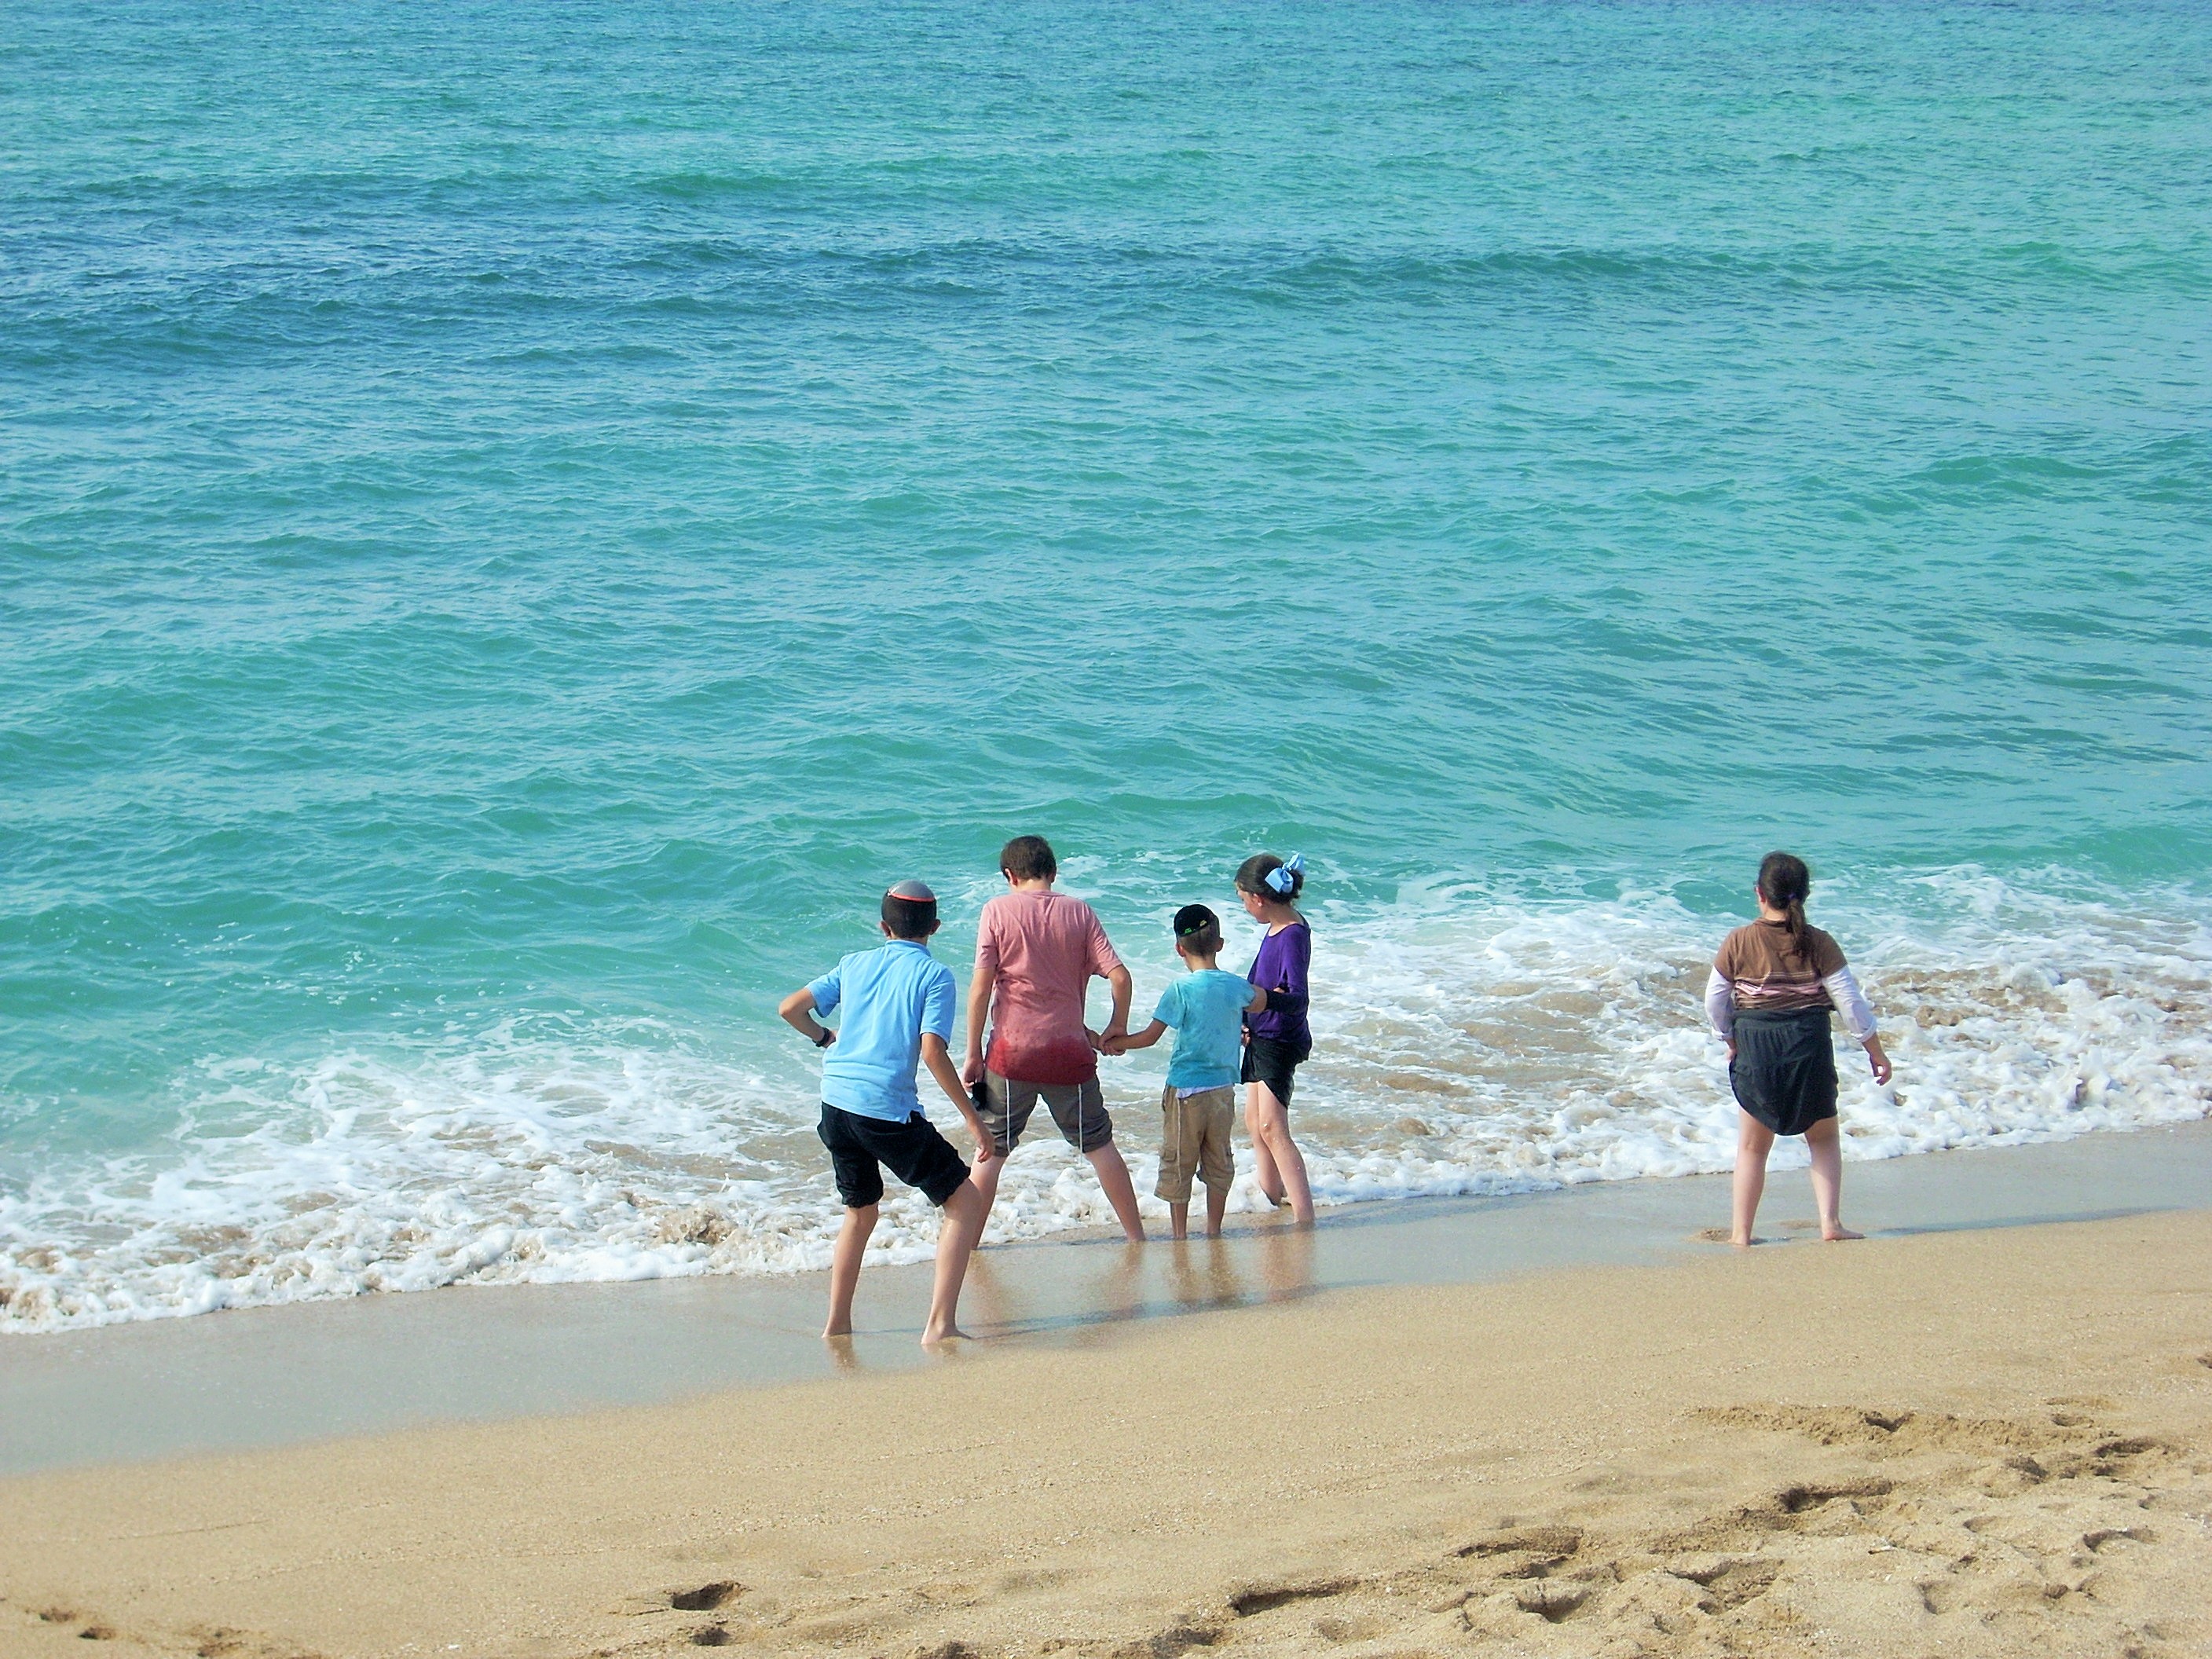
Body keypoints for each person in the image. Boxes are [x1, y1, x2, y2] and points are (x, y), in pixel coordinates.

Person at [778, 881, 994, 1345]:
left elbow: (790, 1008)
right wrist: (973, 1119)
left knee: (860, 1212)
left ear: (883, 927)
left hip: (836, 1104)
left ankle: (837, 1324)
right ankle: (940, 1325)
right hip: (883, 1111)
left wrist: (824, 1038)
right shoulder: (935, 976)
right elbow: (932, 1052)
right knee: (965, 1202)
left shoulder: (854, 963)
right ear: (935, 927)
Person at [1705, 851, 1894, 1248]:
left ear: (1759, 894)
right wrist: (1875, 1050)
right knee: (1822, 1139)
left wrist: (1729, 1038)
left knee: (1752, 1147)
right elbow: (1850, 1004)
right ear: (1805, 895)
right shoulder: (1819, 942)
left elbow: (1714, 1001)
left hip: (1757, 1045)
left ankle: (1742, 1233)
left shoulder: (1739, 941)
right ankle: (1830, 1223)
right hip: (1808, 1045)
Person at [962, 835, 1147, 1241]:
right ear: (1053, 872)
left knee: (991, 1150)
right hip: (1069, 1053)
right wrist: (1117, 1026)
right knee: (1099, 1145)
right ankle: (1136, 1236)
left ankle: (968, 1245)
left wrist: (973, 1052)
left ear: (1009, 875)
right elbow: (1120, 977)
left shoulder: (997, 910)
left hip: (1011, 1055)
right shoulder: (1079, 912)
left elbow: (980, 989)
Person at [1105, 904, 1272, 1240]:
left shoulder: (1180, 990)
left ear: (1179, 948)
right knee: (1219, 1162)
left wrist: (1114, 1042)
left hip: (1185, 1091)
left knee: (1179, 1162)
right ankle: (1213, 1229)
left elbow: (1150, 1037)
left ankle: (1180, 1234)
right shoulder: (1235, 987)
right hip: (1222, 1089)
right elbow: (1261, 1001)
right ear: (1219, 944)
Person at [1234, 852, 1316, 1224]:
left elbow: (1298, 999)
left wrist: (1265, 1000)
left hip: (1280, 1039)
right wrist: (1244, 1017)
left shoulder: (1293, 935)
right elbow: (1256, 981)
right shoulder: (1276, 929)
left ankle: (1304, 1216)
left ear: (1259, 898)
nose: (1244, 906)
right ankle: (1270, 1198)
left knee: (1272, 1127)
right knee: (1255, 1123)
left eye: (1243, 899)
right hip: (1261, 1034)